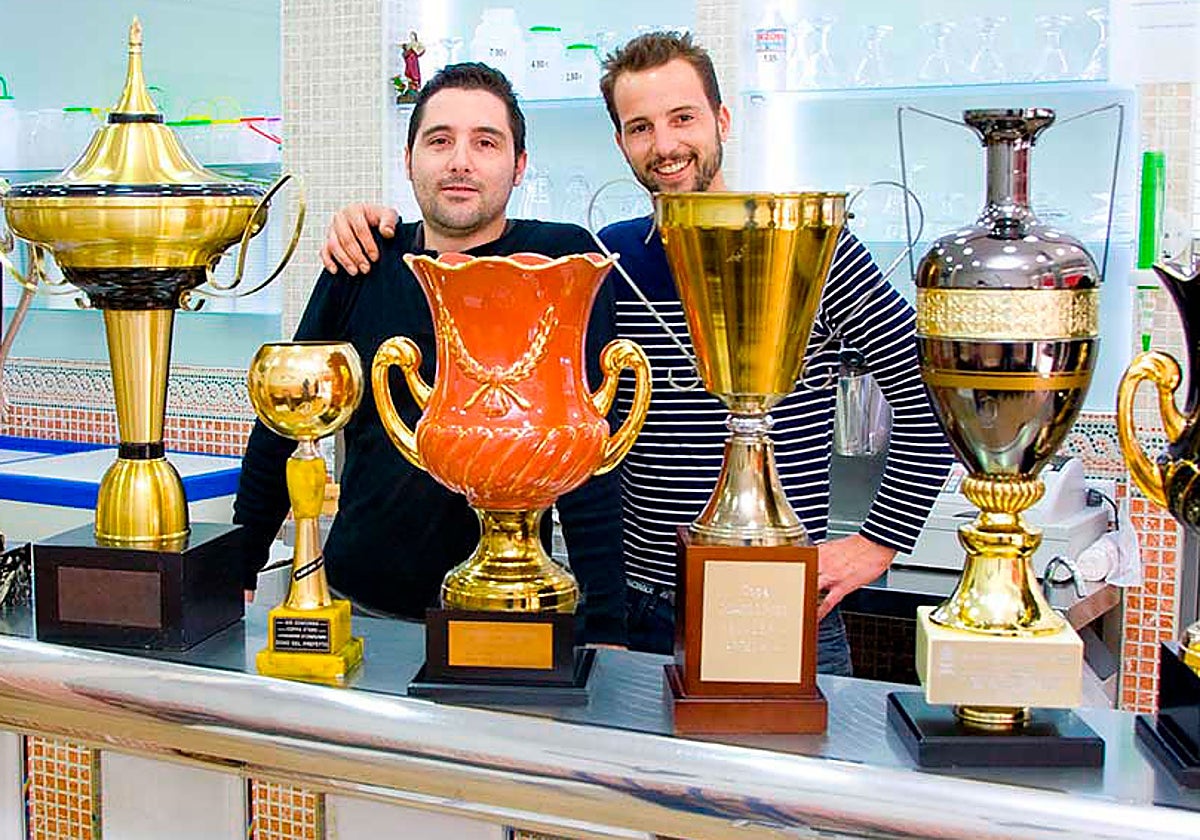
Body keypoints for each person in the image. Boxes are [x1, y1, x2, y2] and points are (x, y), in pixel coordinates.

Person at [318, 34, 955, 675]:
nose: (665, 145)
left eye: (683, 118)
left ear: (722, 120)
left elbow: (931, 397)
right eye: (641, 127)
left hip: (774, 605)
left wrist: (878, 542)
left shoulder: (812, 250)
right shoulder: (607, 260)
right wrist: (367, 225)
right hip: (638, 610)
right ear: (622, 143)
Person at [233, 63, 628, 647]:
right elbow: (285, 414)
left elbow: (591, 450)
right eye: (439, 141)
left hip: (507, 615)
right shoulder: (363, 261)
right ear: (409, 159)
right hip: (359, 608)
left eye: (485, 143)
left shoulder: (558, 262)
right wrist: (240, 561)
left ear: (519, 165)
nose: (460, 161)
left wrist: (607, 625)